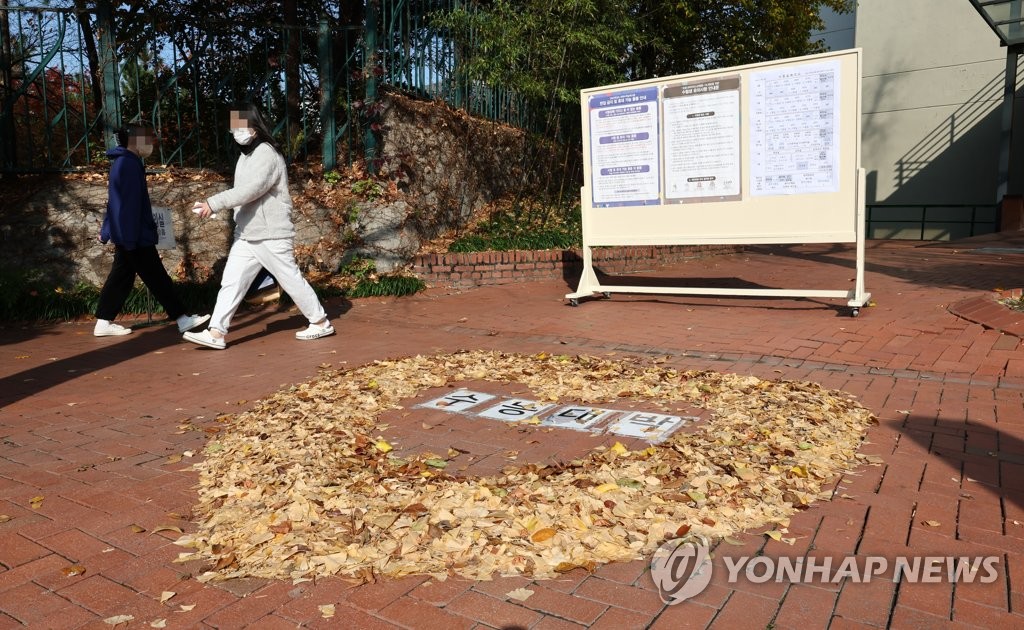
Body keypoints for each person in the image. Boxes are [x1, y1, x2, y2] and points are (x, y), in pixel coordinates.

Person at [184, 103, 333, 350]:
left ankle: (320, 321)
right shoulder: (246, 156)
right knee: (231, 281)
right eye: (233, 128)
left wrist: (214, 203)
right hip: (248, 234)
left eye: (240, 127)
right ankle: (216, 333)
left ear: (254, 127)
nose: (236, 132)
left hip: (271, 234)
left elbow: (251, 190)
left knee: (290, 279)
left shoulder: (266, 153)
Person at [94, 123, 210, 337]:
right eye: (146, 139)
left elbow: (115, 203)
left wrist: (108, 231)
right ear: (135, 141)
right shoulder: (128, 164)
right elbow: (127, 205)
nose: (150, 143)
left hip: (129, 234)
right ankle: (182, 319)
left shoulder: (124, 163)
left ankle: (103, 321)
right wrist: (127, 237)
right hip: (134, 236)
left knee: (123, 276)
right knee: (157, 278)